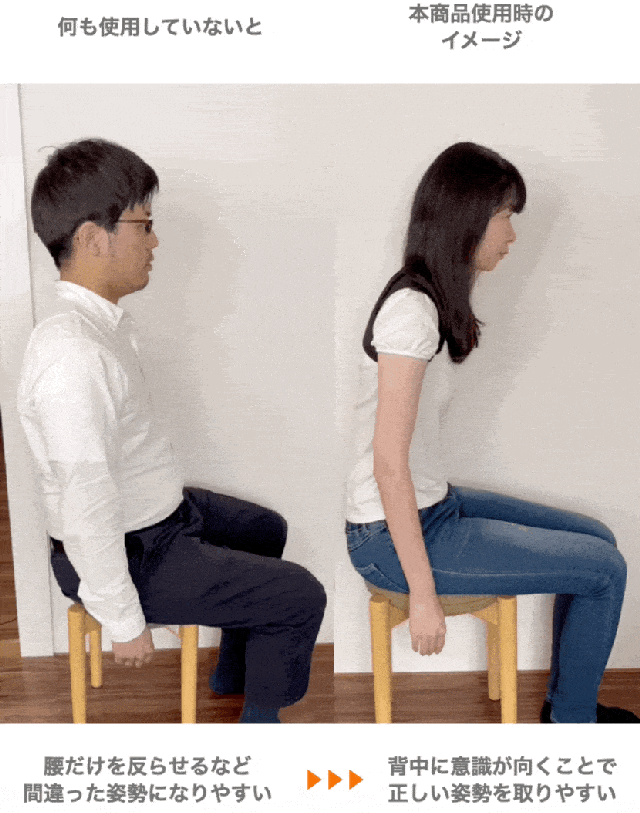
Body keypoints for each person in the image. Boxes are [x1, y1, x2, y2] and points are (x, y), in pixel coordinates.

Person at [18, 138, 326, 723]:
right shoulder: (73, 359)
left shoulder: (101, 329)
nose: (155, 241)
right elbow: (86, 504)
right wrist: (123, 618)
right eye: (144, 225)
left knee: (265, 529)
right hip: (129, 552)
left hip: (158, 519)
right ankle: (263, 729)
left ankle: (234, 677)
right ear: (93, 238)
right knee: (299, 595)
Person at [345, 141, 637, 724]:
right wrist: (423, 596)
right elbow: (388, 465)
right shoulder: (411, 313)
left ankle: (565, 706)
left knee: (598, 538)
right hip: (387, 537)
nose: (511, 234)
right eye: (505, 215)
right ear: (468, 218)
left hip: (434, 505)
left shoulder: (429, 301)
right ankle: (573, 722)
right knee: (605, 570)